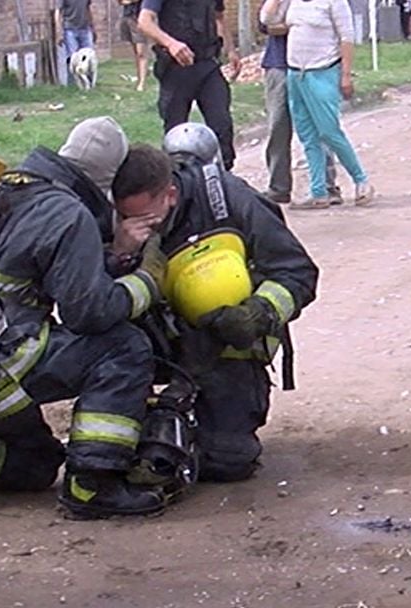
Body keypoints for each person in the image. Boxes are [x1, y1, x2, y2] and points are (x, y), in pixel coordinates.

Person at [0, 117, 170, 520]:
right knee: (124, 347)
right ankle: (93, 485)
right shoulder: (69, 214)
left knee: (39, 466)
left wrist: (110, 257)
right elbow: (90, 312)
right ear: (107, 185)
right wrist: (146, 280)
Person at [110, 126, 319, 482]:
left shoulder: (228, 197)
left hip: (224, 343)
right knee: (116, 455)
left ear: (170, 195)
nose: (137, 226)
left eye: (146, 218)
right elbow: (89, 299)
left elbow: (297, 272)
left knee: (226, 461)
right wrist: (119, 254)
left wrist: (257, 314)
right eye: (127, 217)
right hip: (150, 343)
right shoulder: (111, 215)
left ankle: (215, 420)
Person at [261, 0, 375, 208]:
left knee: (329, 132)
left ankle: (361, 180)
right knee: (308, 135)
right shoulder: (293, 3)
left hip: (323, 71)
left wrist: (346, 75)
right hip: (296, 74)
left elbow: (346, 38)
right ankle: (318, 191)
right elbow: (266, 19)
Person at [137, 0, 240, 170]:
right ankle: (178, 184)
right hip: (176, 68)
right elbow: (145, 21)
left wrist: (230, 50)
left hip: (208, 64)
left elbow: (219, 16)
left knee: (222, 126)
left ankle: (224, 180)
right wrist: (170, 43)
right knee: (176, 136)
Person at [258, 20, 341, 206]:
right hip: (279, 63)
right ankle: (278, 188)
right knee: (278, 125)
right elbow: (265, 24)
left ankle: (327, 186)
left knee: (321, 125)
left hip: (314, 63)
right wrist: (300, 25)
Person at [55, 0, 96, 85]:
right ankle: (72, 83)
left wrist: (93, 27)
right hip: (70, 29)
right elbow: (58, 12)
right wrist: (58, 32)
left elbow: (88, 9)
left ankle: (89, 83)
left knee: (89, 57)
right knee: (72, 58)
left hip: (85, 28)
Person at [119, 0, 149, 92]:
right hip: (127, 17)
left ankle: (142, 83)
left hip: (139, 18)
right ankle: (140, 76)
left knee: (141, 53)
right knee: (136, 52)